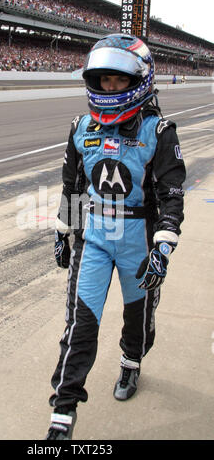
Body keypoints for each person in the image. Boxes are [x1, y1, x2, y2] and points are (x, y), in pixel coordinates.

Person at [45, 33, 186, 440]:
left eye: (119, 81)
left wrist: (164, 243)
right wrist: (64, 230)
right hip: (94, 236)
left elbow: (171, 191)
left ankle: (131, 360)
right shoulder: (80, 127)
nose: (109, 88)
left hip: (138, 239)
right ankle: (63, 410)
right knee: (80, 324)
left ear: (138, 81)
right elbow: (72, 187)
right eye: (103, 80)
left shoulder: (158, 130)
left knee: (138, 321)